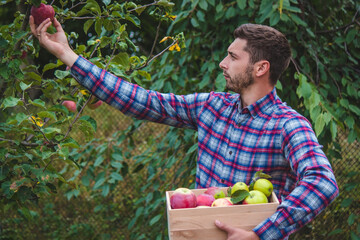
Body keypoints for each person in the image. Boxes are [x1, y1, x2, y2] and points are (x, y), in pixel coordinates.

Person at [30, 16, 339, 240]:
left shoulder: (288, 125)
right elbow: (144, 101)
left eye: (232, 57)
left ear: (261, 68)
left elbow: (323, 182)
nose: (222, 63)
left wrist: (261, 234)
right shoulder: (213, 107)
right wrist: (67, 55)